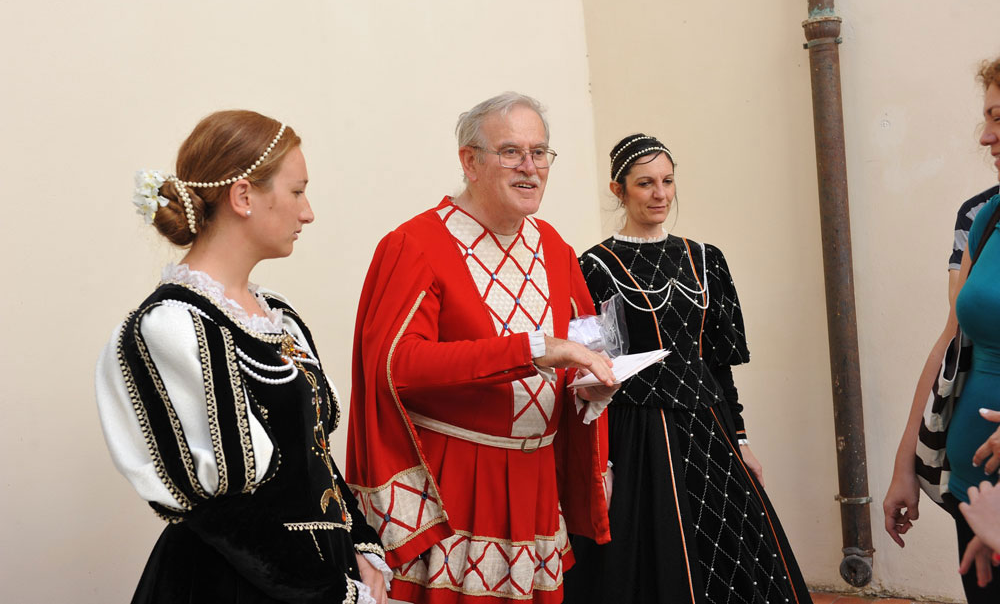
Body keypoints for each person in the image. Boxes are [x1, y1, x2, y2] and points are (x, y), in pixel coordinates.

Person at [96, 111, 389, 604]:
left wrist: (360, 543)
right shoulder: (171, 329)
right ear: (244, 196)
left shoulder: (279, 315)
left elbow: (310, 456)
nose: (308, 212)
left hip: (320, 577)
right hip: (235, 585)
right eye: (297, 192)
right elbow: (221, 513)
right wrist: (324, 589)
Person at [346, 92, 618, 603]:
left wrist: (590, 381)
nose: (530, 168)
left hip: (536, 485)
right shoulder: (415, 244)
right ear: (469, 162)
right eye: (511, 151)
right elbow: (397, 366)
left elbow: (584, 344)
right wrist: (530, 350)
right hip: (456, 485)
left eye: (541, 153)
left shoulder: (555, 248)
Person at [563, 134, 812, 604]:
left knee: (737, 551)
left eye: (667, 181)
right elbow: (590, 366)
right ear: (619, 191)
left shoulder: (706, 260)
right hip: (636, 431)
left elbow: (718, 364)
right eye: (645, 184)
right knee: (646, 555)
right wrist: (600, 460)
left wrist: (741, 439)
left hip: (708, 425)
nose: (660, 194)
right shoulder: (593, 266)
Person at [883, 56, 1000, 601]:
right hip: (974, 487)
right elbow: (951, 343)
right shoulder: (987, 218)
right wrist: (906, 461)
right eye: (986, 117)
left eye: (998, 118)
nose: (985, 136)